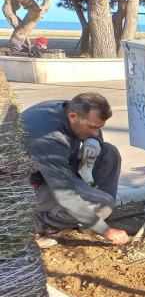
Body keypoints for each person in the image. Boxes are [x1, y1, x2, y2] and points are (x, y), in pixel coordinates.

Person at [21, 93, 129, 247]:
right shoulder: (49, 138)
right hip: (25, 188)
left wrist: (94, 141)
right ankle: (33, 227)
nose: (95, 131)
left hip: (55, 171)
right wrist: (105, 231)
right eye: (92, 127)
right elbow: (65, 195)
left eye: (99, 128)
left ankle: (88, 219)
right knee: (101, 204)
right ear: (73, 117)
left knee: (108, 152)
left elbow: (94, 127)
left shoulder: (69, 108)